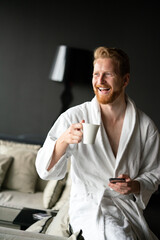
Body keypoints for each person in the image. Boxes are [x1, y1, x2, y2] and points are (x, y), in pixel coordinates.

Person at [36, 46, 160, 240]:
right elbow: (44, 170)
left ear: (125, 79)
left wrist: (134, 186)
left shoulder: (145, 127)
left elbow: (154, 173)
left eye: (108, 75)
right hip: (88, 206)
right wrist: (63, 140)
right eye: (96, 74)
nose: (99, 81)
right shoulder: (75, 117)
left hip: (126, 209)